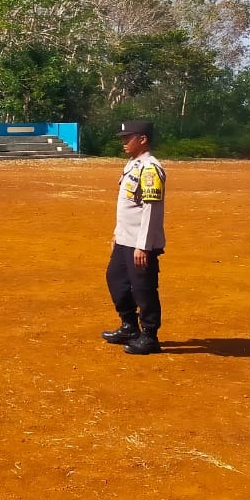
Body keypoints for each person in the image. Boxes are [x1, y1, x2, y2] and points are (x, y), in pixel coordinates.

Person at [101, 120, 167, 356]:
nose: (123, 142)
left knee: (143, 287)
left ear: (143, 139)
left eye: (127, 138)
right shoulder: (133, 165)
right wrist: (117, 234)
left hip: (140, 242)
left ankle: (149, 335)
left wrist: (143, 246)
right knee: (116, 280)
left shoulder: (150, 168)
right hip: (124, 239)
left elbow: (151, 210)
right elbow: (127, 207)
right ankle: (129, 325)